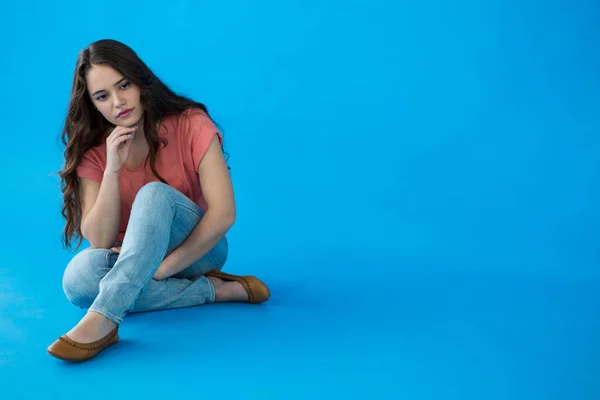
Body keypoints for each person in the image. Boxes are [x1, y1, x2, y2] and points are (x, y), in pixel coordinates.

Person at [47, 39, 270, 363]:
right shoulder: (95, 150)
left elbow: (223, 214)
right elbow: (99, 240)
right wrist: (112, 169)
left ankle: (105, 319)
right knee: (79, 280)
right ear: (93, 104)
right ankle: (214, 291)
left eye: (123, 85)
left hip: (199, 250)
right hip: (133, 258)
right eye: (102, 96)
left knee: (152, 194)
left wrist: (163, 268)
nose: (118, 102)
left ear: (139, 80)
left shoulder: (191, 123)